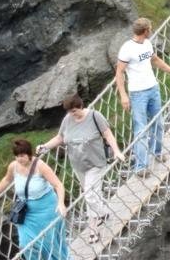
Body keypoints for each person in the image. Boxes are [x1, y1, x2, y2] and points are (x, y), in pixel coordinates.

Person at [37, 94, 125, 244]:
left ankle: (94, 229)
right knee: (92, 195)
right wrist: (45, 146)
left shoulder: (95, 116)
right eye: (69, 112)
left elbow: (107, 134)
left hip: (96, 164)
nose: (72, 114)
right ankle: (102, 214)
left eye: (74, 111)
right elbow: (60, 138)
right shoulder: (67, 120)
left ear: (80, 107)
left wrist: (116, 151)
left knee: (90, 196)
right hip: (78, 166)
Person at [114, 18, 170, 175]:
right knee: (141, 129)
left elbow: (154, 60)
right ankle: (141, 166)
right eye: (150, 29)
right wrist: (123, 95)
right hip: (138, 93)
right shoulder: (127, 49)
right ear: (145, 30)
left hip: (153, 88)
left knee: (158, 122)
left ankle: (157, 152)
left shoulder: (147, 44)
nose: (151, 31)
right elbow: (119, 72)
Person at [0, 139, 68, 260]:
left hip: (46, 209)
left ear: (29, 154)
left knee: (49, 244)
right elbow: (6, 180)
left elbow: (58, 185)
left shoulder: (40, 166)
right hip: (26, 212)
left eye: (22, 156)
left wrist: (61, 203)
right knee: (26, 244)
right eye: (17, 156)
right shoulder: (13, 166)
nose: (20, 159)